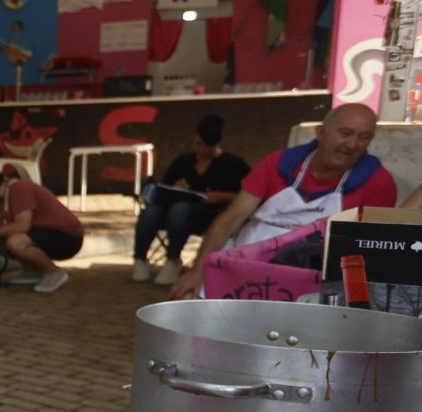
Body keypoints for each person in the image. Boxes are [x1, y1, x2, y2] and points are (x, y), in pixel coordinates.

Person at [167, 102, 394, 300]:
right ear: (321, 132)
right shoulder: (279, 163)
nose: (352, 145)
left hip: (313, 274)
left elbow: (371, 249)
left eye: (364, 138)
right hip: (246, 258)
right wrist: (197, 271)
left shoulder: (377, 182)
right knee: (187, 299)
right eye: (345, 133)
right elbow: (230, 220)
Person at [132, 115, 249, 286]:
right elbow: (164, 186)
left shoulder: (233, 164)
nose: (200, 150)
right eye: (198, 144)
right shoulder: (184, 161)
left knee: (180, 210)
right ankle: (140, 259)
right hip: (173, 211)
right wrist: (176, 186)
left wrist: (221, 196)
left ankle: (173, 259)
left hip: (211, 214)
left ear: (216, 145)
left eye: (206, 146)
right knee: (151, 212)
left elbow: (247, 193)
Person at [0, 164, 86, 294]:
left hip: (66, 236)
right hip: (40, 233)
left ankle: (54, 272)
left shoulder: (20, 189)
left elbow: (22, 225)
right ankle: (32, 272)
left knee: (15, 242)